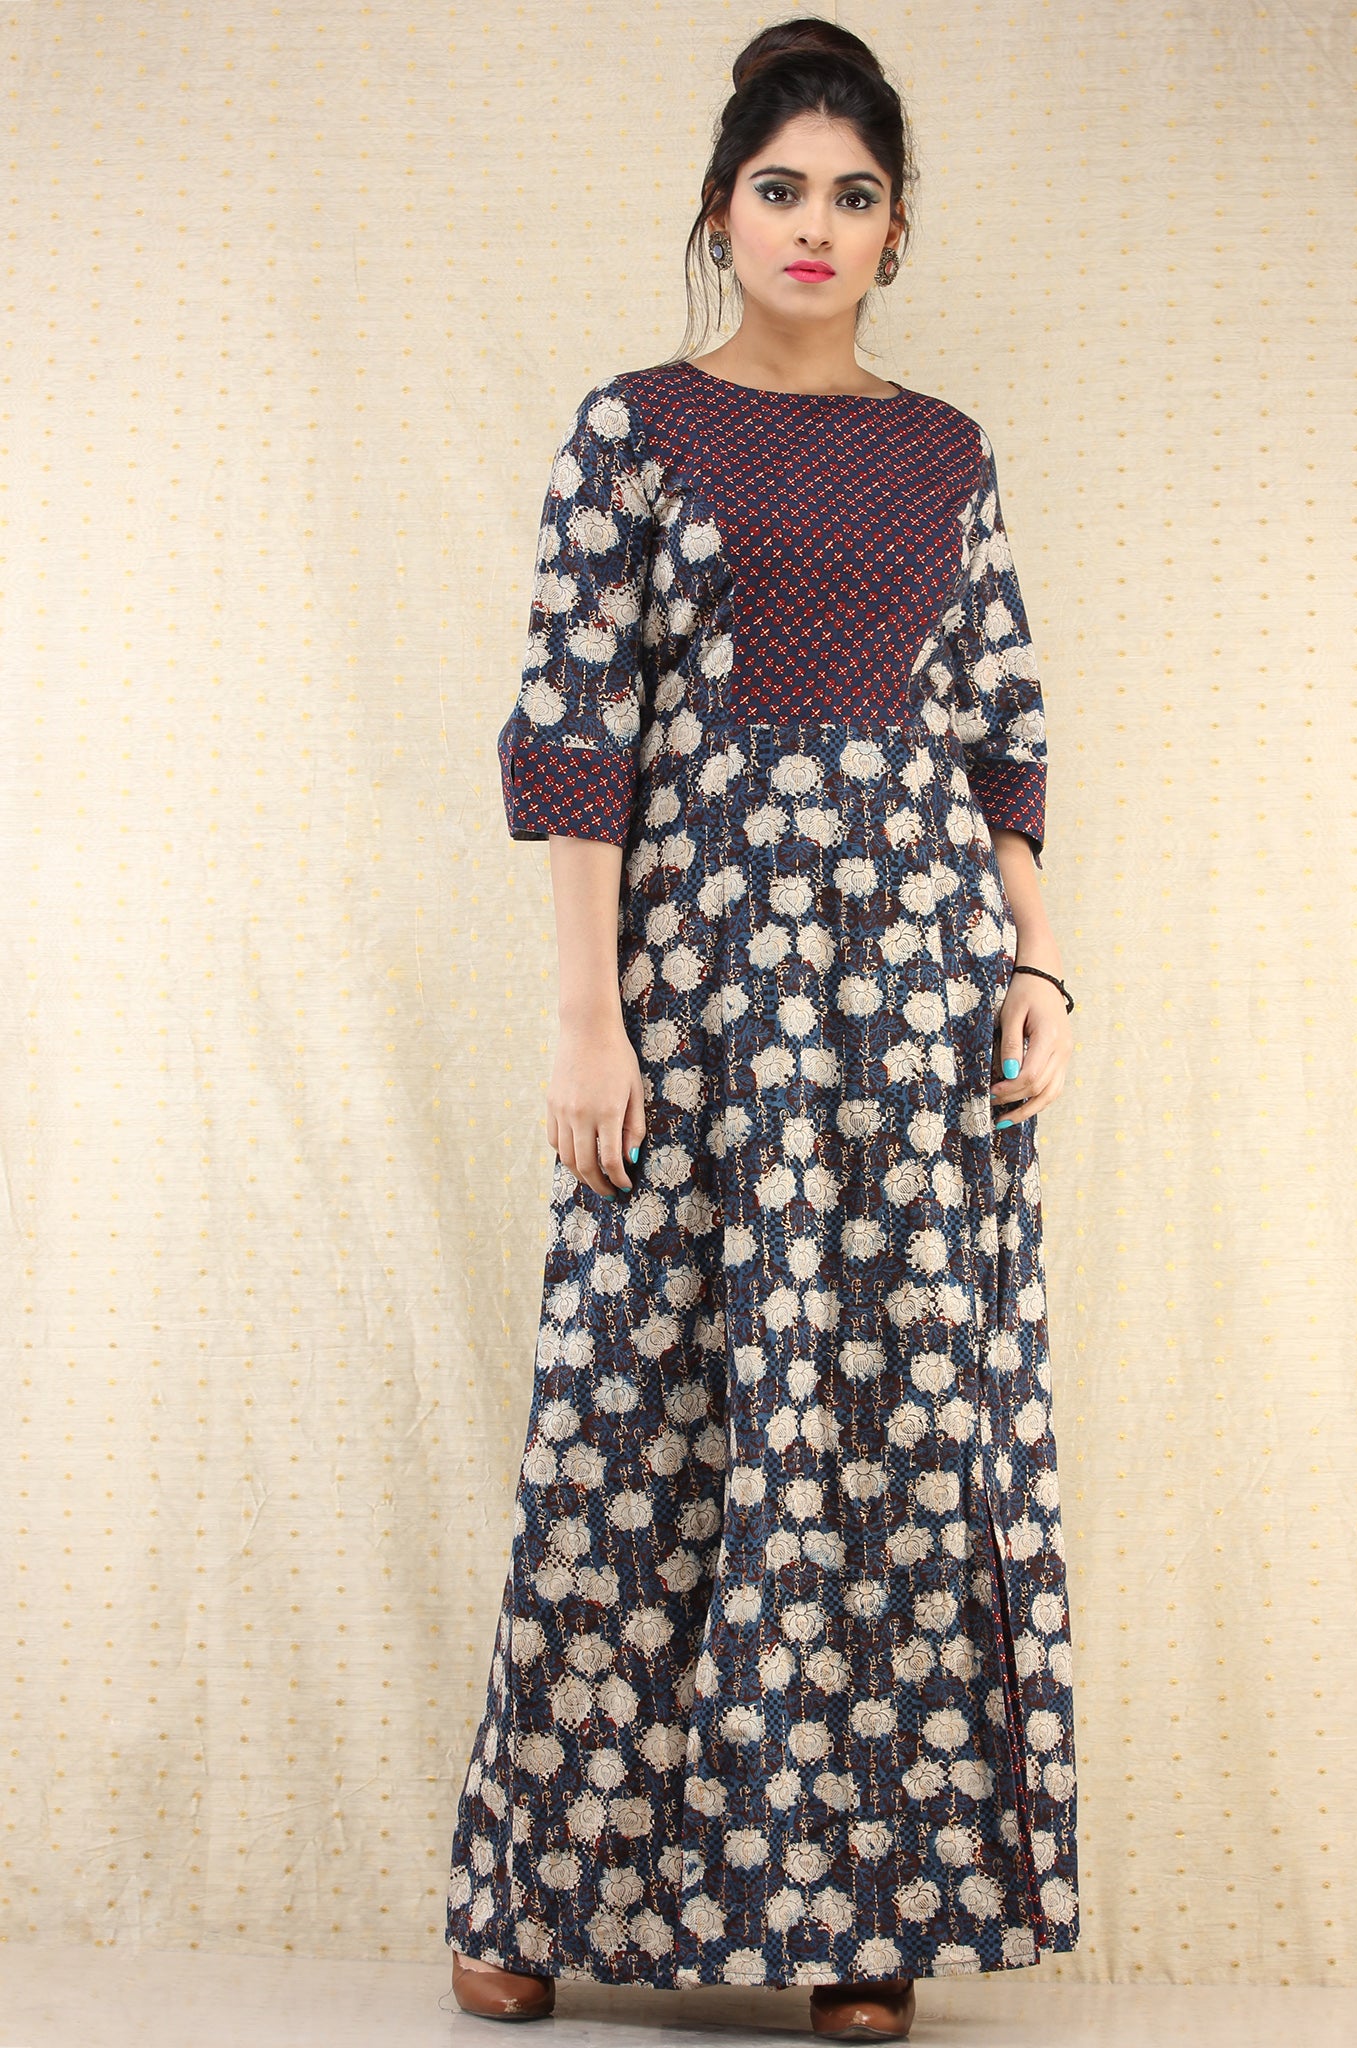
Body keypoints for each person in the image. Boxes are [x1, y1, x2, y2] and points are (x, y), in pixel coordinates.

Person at [445, 16, 1079, 2039]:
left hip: (912, 1003)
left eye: (854, 194)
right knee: (631, 1411)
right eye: (780, 187)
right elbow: (574, 726)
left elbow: (998, 725)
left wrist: (1037, 965)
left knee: (891, 1428)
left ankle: (857, 1909)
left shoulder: (946, 452)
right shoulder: (634, 431)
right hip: (698, 987)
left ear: (898, 231)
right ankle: (537, 1885)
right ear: (721, 213)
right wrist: (588, 1018)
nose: (815, 224)